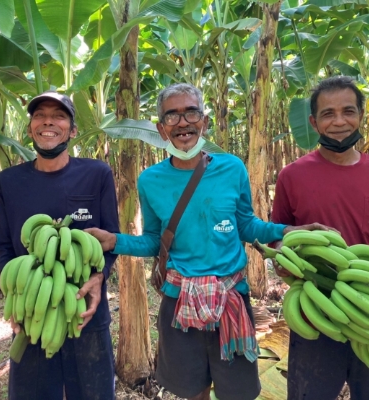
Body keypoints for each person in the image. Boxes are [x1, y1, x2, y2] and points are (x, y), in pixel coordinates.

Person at [86, 83, 325, 400]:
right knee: (192, 391)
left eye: (191, 113)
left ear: (205, 121)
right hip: (179, 302)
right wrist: (113, 241)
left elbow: (245, 224)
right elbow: (155, 243)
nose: (182, 122)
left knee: (237, 393)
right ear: (161, 128)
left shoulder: (231, 168)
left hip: (231, 299)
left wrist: (283, 232)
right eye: (172, 115)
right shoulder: (150, 180)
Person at [0, 91, 120, 400]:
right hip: (35, 308)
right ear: (30, 129)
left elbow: (112, 240)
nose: (48, 121)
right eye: (39, 115)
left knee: (94, 393)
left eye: (59, 115)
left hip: (84, 308)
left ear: (73, 130)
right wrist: (16, 296)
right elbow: (4, 248)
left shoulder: (96, 174)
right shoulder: (7, 182)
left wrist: (99, 278)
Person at [271, 76, 369, 400]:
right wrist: (282, 260)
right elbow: (279, 238)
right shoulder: (291, 176)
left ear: (361, 115)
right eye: (328, 114)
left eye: (348, 111)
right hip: (316, 313)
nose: (339, 122)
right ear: (313, 122)